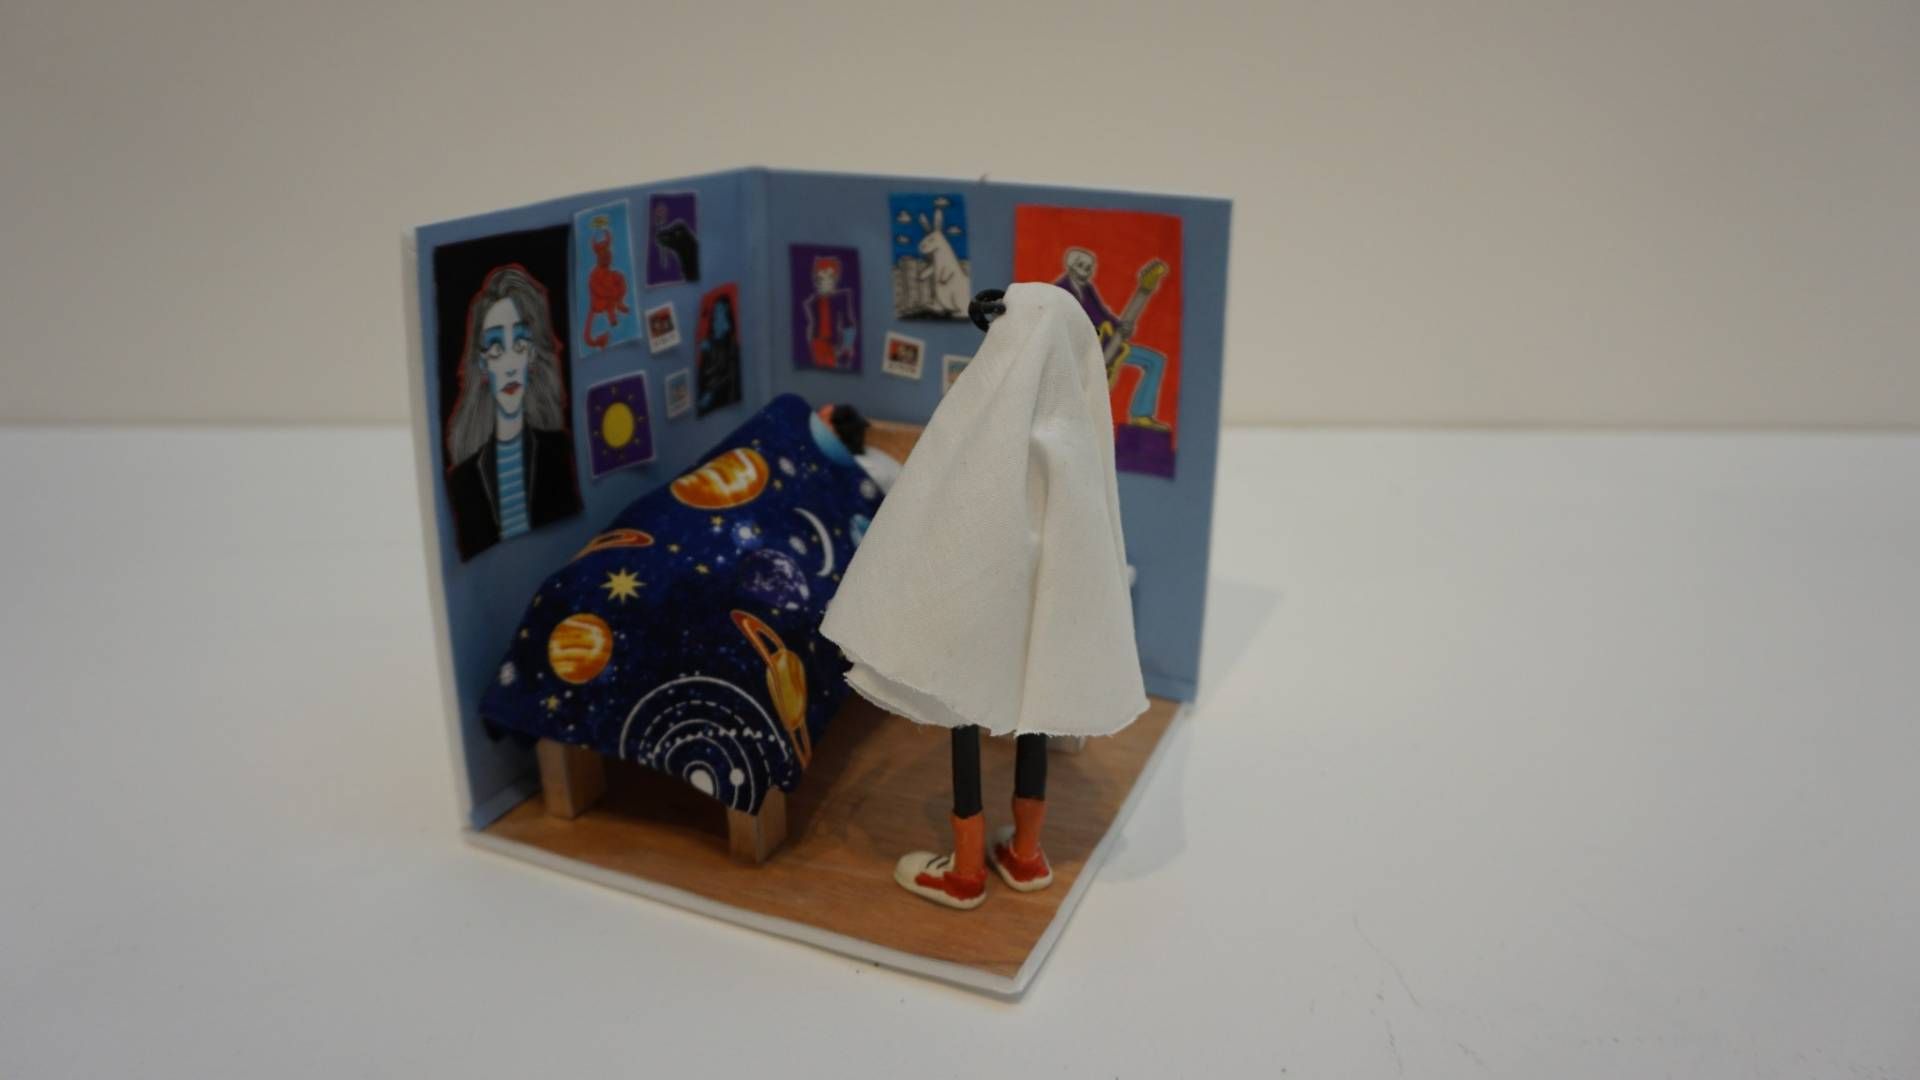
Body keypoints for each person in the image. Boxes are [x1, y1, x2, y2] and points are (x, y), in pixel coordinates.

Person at [444, 264, 581, 560]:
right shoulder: (464, 481)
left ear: (531, 356)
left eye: (519, 344)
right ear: (482, 364)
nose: (509, 366)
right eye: (496, 348)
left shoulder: (558, 452)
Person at [1053, 247, 1169, 431]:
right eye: (1082, 266)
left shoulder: (1087, 289)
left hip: (1106, 348)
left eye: (1089, 267)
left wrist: (1120, 326)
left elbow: (1102, 315)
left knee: (1155, 360)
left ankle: (1141, 414)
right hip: (1077, 356)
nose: (1086, 271)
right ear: (1071, 266)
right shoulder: (1060, 291)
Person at [802, 256, 858, 369]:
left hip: (835, 344)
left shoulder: (841, 298)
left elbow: (848, 324)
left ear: (835, 279)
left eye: (829, 278)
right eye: (821, 278)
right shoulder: (813, 302)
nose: (824, 282)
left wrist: (846, 346)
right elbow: (810, 324)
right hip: (816, 343)